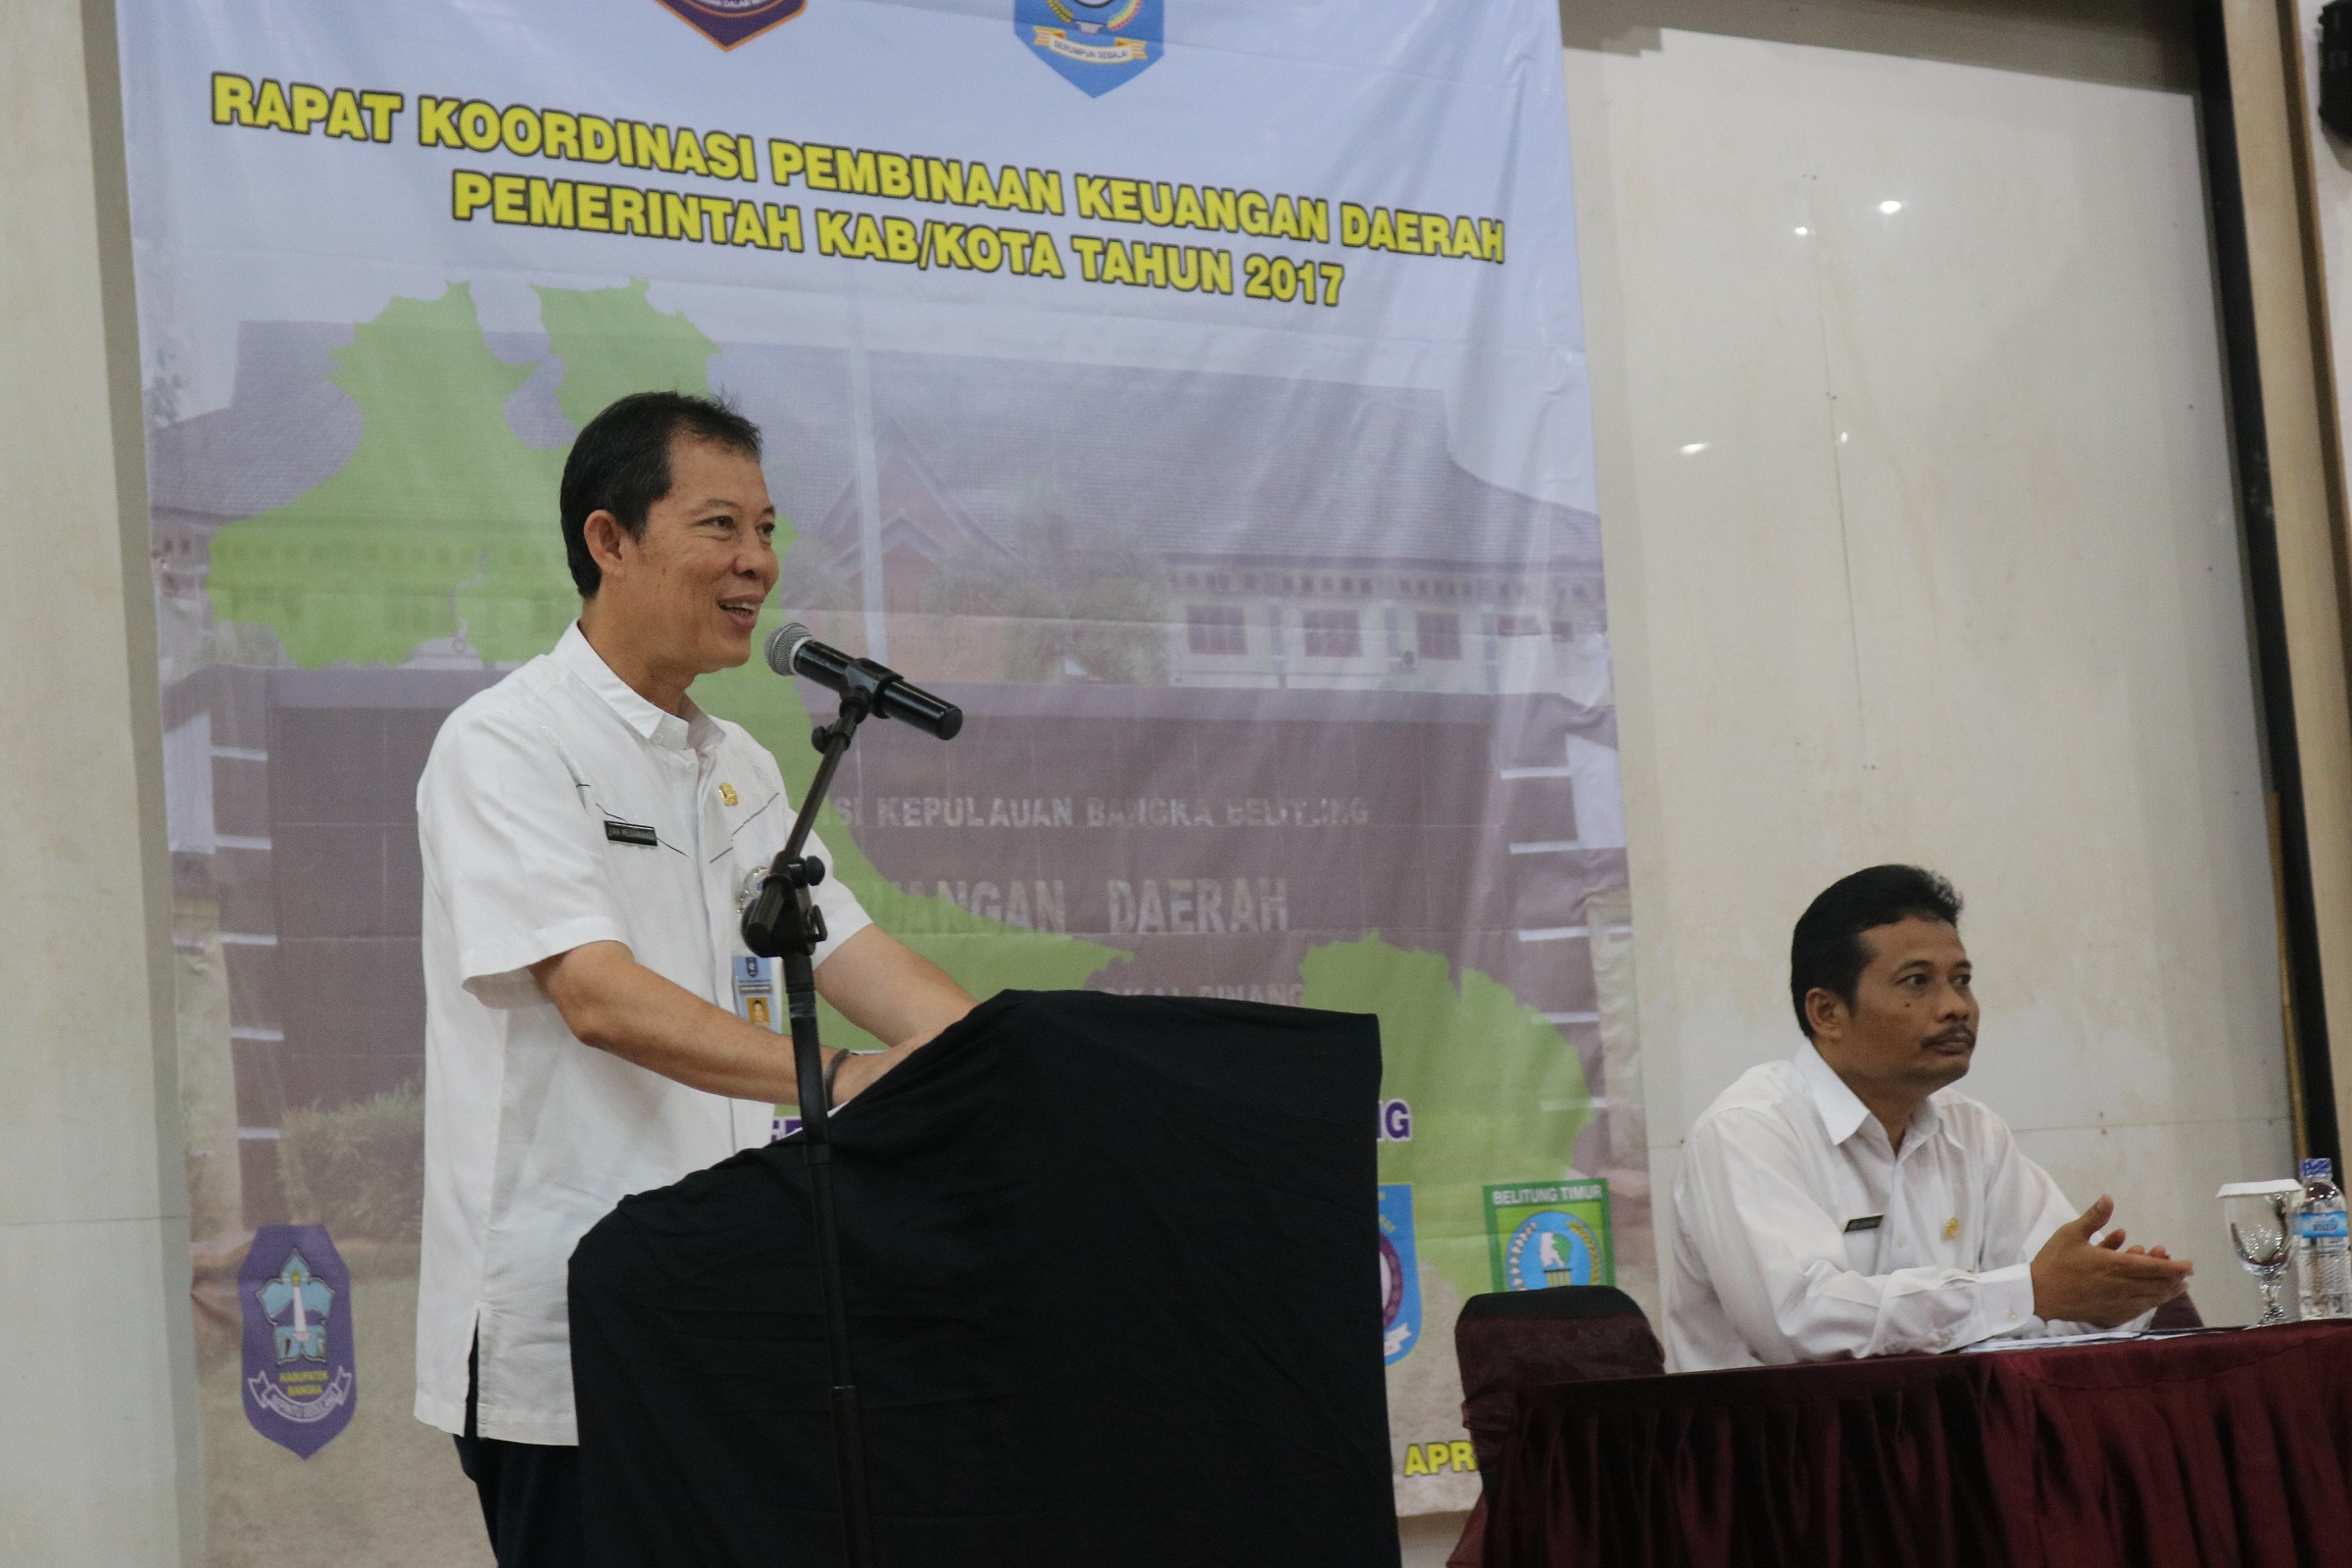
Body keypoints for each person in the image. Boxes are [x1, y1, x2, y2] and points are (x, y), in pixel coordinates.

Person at [412, 391, 976, 1566]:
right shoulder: (507, 741)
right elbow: (596, 995)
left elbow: (859, 957)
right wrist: (842, 1078)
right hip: (565, 1329)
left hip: (722, 1304)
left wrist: (1002, 1063)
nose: (757, 562)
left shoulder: (739, 764)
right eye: (720, 526)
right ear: (609, 540)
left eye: (766, 530)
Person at [1665, 864, 2191, 1372]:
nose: (1955, 1006)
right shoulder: (1748, 1130)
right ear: (1827, 1013)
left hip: (1950, 1425)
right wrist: (2024, 1293)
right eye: (1917, 982)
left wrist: (2112, 1297)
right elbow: (1799, 1326)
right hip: (1785, 1432)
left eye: (1962, 980)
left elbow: (2054, 1298)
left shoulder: (1973, 1132)